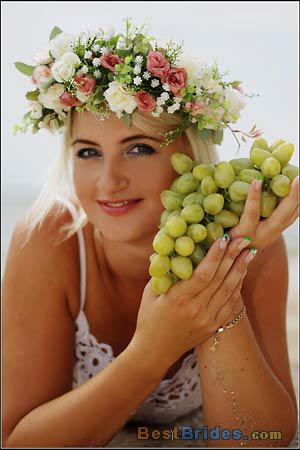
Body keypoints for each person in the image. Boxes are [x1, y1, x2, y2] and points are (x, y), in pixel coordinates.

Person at [3, 20, 299, 447]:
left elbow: (261, 440)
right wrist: (151, 352)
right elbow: (18, 441)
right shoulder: (49, 239)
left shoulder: (251, 249)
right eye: (87, 152)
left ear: (190, 158)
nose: (108, 182)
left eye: (138, 148)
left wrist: (220, 285)